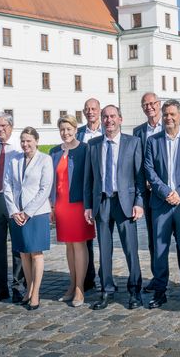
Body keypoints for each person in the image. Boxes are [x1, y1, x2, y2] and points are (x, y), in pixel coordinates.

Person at [84, 105, 145, 310]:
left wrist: (139, 202)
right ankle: (106, 290)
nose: (109, 120)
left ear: (120, 119)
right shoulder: (93, 145)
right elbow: (88, 178)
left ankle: (135, 290)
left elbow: (139, 177)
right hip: (101, 202)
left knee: (130, 249)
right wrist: (88, 206)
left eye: (112, 116)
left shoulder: (133, 143)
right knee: (104, 250)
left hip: (125, 203)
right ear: (101, 120)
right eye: (105, 117)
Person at [144, 99, 180, 308]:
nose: (169, 118)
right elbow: (149, 170)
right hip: (161, 203)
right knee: (160, 249)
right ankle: (160, 292)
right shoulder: (153, 141)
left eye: (172, 114)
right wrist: (166, 192)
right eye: (166, 114)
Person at [3, 127, 54, 311]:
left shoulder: (45, 159)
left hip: (37, 213)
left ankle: (36, 292)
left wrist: (27, 212)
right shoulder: (14, 159)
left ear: (36, 141)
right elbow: (7, 185)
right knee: (23, 252)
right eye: (23, 141)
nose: (25, 144)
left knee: (36, 253)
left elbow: (45, 189)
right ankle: (29, 288)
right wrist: (15, 211)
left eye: (29, 141)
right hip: (17, 213)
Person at [49, 115, 95, 307]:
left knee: (79, 245)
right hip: (61, 205)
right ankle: (71, 284)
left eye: (69, 129)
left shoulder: (85, 149)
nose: (65, 133)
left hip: (78, 204)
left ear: (76, 129)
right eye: (62, 129)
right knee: (68, 246)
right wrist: (51, 205)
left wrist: (90, 205)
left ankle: (80, 289)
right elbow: (51, 181)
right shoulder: (54, 152)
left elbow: (91, 178)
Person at [0, 112, 26, 304]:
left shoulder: (19, 146)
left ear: (11, 126)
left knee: (18, 245)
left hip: (15, 200)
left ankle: (19, 287)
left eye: (4, 126)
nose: (0, 129)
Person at [132, 92, 162, 292]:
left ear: (159, 105)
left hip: (171, 192)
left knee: (177, 237)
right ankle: (158, 276)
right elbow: (136, 163)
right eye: (145, 104)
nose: (149, 107)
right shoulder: (138, 132)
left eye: (152, 103)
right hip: (150, 192)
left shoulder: (170, 123)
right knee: (153, 237)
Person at [75, 97, 101, 291]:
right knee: (87, 237)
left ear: (98, 111)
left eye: (93, 108)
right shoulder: (79, 133)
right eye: (87, 109)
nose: (90, 111)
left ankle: (107, 276)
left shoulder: (108, 129)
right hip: (86, 191)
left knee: (107, 237)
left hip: (104, 190)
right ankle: (88, 277)